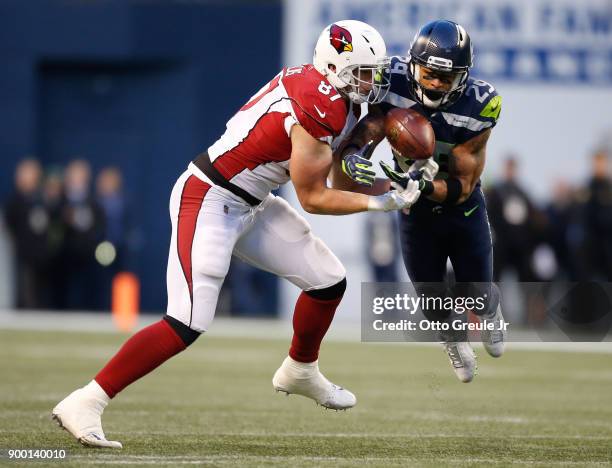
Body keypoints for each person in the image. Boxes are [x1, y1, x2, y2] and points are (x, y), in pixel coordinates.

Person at [52, 20, 421, 448]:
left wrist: (385, 185)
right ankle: (87, 400)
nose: (370, 82)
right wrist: (380, 202)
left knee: (327, 281)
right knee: (186, 322)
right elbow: (314, 197)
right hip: (208, 198)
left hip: (251, 201)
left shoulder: (331, 95)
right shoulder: (318, 103)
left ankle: (300, 369)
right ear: (335, 65)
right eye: (361, 71)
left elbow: (334, 175)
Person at [335, 20, 506, 383]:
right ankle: (452, 337)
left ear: (462, 77)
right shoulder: (393, 81)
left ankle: (491, 313)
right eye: (429, 73)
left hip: (463, 208)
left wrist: (423, 185)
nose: (436, 84)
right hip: (415, 211)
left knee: (476, 292)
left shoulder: (479, 106)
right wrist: (353, 151)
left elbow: (462, 182)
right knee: (431, 302)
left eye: (447, 77)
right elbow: (375, 125)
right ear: (414, 65)